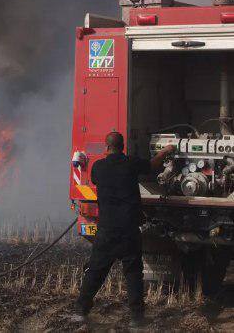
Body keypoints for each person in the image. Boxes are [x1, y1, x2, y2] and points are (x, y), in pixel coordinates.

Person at [75, 132, 175, 326]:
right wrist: (165, 151)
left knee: (95, 271)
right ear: (123, 146)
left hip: (107, 231)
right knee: (133, 274)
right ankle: (137, 318)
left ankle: (81, 310)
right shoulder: (131, 163)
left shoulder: (98, 167)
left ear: (107, 147)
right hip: (129, 231)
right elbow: (152, 166)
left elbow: (95, 180)